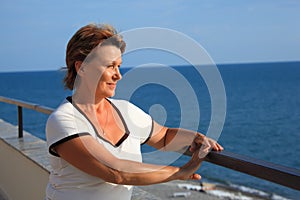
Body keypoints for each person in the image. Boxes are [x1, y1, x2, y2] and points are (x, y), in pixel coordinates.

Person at [45, 23, 223, 200]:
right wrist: (180, 172)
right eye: (110, 66)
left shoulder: (125, 111)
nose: (118, 75)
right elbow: (115, 172)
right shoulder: (63, 120)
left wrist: (196, 138)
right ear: (81, 67)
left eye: (119, 66)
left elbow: (164, 136)